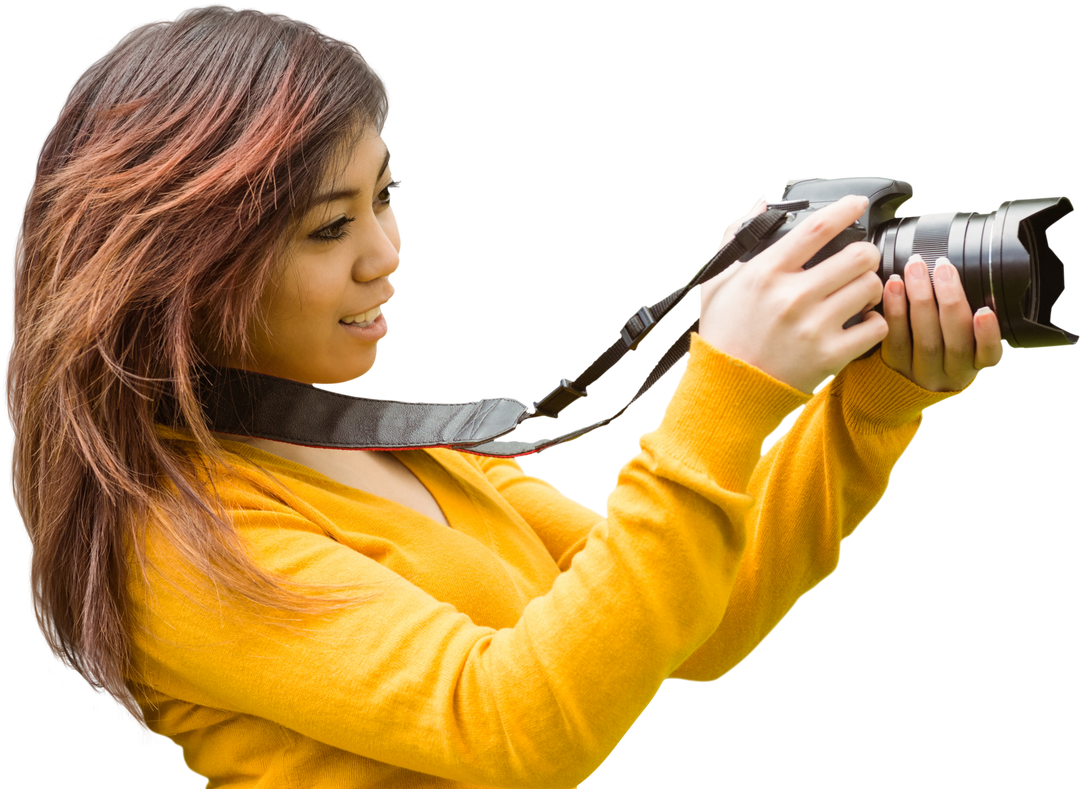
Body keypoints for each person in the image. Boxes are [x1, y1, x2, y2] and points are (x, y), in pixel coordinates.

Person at [5, 4, 1003, 786]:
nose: (386, 257)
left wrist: (870, 407)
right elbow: (517, 727)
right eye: (327, 229)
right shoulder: (178, 544)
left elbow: (691, 625)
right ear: (181, 270)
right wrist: (727, 388)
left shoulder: (386, 450)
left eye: (385, 199)